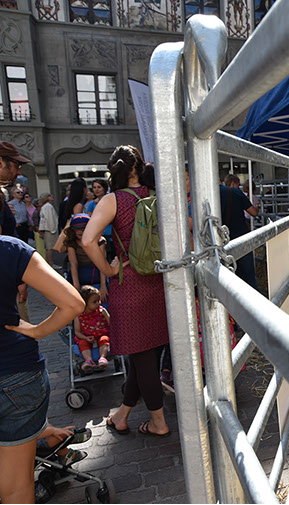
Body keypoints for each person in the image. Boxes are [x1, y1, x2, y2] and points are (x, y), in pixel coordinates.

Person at [82, 145, 171, 438]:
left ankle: (158, 423)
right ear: (140, 166)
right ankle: (122, 414)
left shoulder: (113, 200)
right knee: (144, 356)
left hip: (129, 283)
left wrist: (108, 271)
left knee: (143, 358)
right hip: (160, 281)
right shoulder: (158, 193)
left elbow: (87, 240)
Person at [0, 235, 85, 503]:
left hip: (15, 376)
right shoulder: (8, 249)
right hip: (16, 374)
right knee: (16, 488)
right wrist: (37, 331)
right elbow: (73, 303)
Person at [64, 213, 108, 300]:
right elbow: (73, 264)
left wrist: (103, 285)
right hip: (80, 275)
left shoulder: (99, 241)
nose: (80, 232)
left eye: (83, 230)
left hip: (97, 275)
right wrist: (76, 285)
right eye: (77, 230)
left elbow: (102, 264)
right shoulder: (72, 243)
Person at [74, 285, 111, 373]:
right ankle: (89, 360)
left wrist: (106, 315)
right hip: (86, 337)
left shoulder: (101, 311)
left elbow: (111, 324)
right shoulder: (79, 316)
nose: (98, 303)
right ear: (85, 303)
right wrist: (85, 338)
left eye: (99, 300)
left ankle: (102, 358)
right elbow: (77, 332)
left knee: (104, 339)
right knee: (82, 343)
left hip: (101, 334)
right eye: (95, 302)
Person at [84, 178, 114, 261]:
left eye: (99, 187)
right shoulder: (91, 204)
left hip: (112, 236)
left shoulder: (111, 200)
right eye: (94, 187)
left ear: (104, 188)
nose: (96, 190)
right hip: (98, 237)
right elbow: (90, 221)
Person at [38, 192, 58, 267]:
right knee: (50, 248)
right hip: (50, 230)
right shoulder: (48, 206)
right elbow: (50, 219)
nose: (51, 196)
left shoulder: (45, 206)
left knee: (49, 248)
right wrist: (53, 229)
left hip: (48, 229)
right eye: (49, 195)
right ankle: (51, 264)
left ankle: (50, 263)